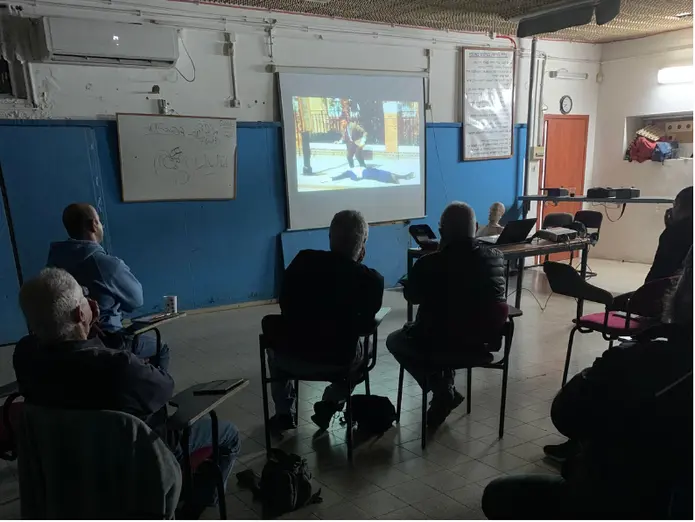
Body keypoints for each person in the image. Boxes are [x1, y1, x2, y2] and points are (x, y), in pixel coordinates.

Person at [483, 249, 693, 519]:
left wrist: (613, 363)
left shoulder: (641, 360)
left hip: (617, 499)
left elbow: (565, 413)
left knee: (498, 495)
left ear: (681, 294)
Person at [14, 268, 241, 515]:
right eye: (84, 298)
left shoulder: (25, 357)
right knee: (229, 434)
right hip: (138, 459)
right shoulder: (119, 368)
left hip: (64, 463)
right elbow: (165, 387)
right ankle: (195, 507)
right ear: (80, 313)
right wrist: (97, 336)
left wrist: (87, 334)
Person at [544, 185, 693, 463]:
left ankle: (582, 444)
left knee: (618, 377)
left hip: (656, 316)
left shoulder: (674, 235)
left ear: (681, 208)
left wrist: (629, 301)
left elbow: (655, 281)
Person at [386, 202, 506, 429]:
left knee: (395, 340)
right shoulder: (496, 258)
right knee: (448, 328)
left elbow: (412, 297)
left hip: (438, 343)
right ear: (476, 227)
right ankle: (444, 388)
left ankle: (442, 389)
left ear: (441, 232)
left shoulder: (429, 263)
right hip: (479, 345)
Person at [267, 210, 384, 432]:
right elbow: (366, 324)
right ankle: (331, 402)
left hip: (291, 356)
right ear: (363, 245)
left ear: (330, 237)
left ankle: (284, 413)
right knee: (367, 351)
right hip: (340, 360)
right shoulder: (371, 280)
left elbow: (285, 305)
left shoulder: (302, 261)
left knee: (273, 348)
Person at [46, 203, 170, 370]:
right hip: (108, 340)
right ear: (93, 225)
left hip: (67, 342)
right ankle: (153, 384)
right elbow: (136, 301)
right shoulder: (107, 265)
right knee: (161, 348)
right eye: (99, 221)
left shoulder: (54, 261)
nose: (101, 226)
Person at [645, 185, 692, 283]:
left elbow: (657, 274)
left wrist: (670, 231)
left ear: (679, 207)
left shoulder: (674, 235)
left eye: (674, 205)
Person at [329, 167, 415, 185]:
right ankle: (403, 177)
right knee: (383, 174)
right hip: (367, 172)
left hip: (367, 172)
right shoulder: (350, 172)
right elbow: (355, 178)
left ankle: (402, 177)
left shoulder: (350, 171)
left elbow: (355, 178)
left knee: (383, 174)